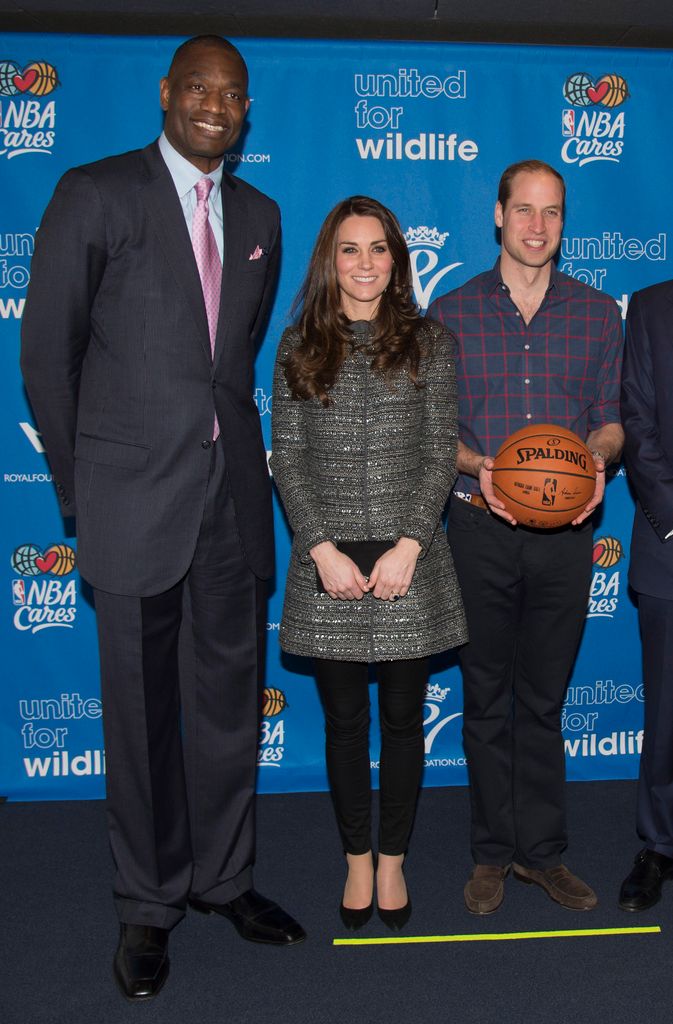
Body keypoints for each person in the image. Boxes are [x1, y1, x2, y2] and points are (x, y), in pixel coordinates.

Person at [20, 35, 304, 1002]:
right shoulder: (94, 193)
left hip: (230, 507)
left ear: (245, 108)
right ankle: (147, 902)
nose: (215, 105)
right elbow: (46, 360)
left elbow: (231, 370)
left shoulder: (261, 213)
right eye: (199, 88)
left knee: (227, 710)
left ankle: (224, 878)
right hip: (129, 506)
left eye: (232, 94)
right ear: (166, 94)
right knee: (141, 720)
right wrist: (78, 492)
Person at [428, 159, 624, 915]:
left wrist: (595, 461)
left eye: (552, 212)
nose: (537, 226)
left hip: (566, 536)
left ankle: (541, 855)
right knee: (484, 698)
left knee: (542, 701)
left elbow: (608, 421)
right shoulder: (449, 313)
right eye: (524, 210)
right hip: (477, 528)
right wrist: (485, 468)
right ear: (498, 216)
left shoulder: (597, 314)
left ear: (561, 222)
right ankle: (489, 854)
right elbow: (432, 431)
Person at [271, 196, 467, 932]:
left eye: (377, 249)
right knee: (345, 724)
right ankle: (356, 859)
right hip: (328, 567)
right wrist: (319, 550)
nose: (364, 264)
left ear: (396, 260)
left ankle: (394, 858)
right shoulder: (297, 347)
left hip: (406, 563)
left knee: (403, 722)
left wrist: (410, 546)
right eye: (349, 250)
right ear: (330, 260)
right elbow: (286, 459)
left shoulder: (431, 343)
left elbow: (436, 451)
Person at [619, 280, 673, 911]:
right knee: (666, 715)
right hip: (670, 544)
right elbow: (637, 416)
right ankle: (661, 844)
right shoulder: (653, 306)